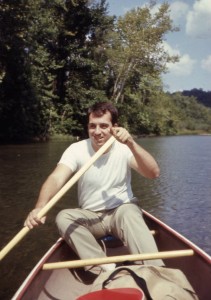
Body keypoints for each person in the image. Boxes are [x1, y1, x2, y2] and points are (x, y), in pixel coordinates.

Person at [24, 101, 163, 271]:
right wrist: (40, 206)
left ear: (115, 127)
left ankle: (154, 271)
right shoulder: (76, 149)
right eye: (92, 126)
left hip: (121, 211)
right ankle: (106, 268)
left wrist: (132, 143)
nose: (97, 132)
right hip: (91, 216)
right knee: (63, 217)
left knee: (129, 212)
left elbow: (153, 173)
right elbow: (56, 178)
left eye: (104, 126)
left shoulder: (124, 148)